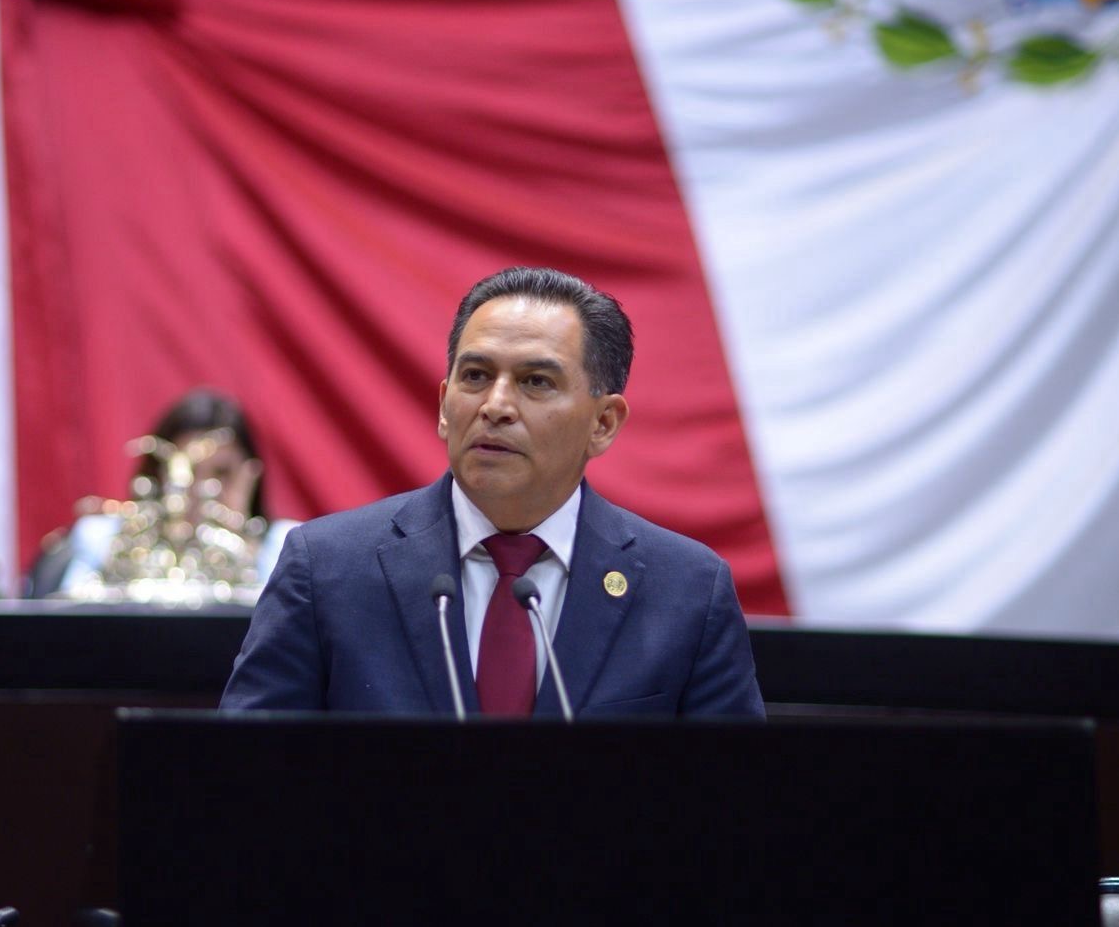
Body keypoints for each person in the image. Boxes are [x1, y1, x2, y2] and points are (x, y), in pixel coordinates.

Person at [220, 266, 764, 717]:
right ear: (443, 405)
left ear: (603, 423)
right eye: (476, 376)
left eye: (536, 382)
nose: (496, 405)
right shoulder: (327, 569)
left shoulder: (687, 592)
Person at [30, 389, 293, 598]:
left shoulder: (286, 546)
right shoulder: (102, 539)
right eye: (188, 471)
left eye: (222, 473)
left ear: (250, 475)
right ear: (158, 473)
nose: (203, 488)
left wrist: (243, 548)